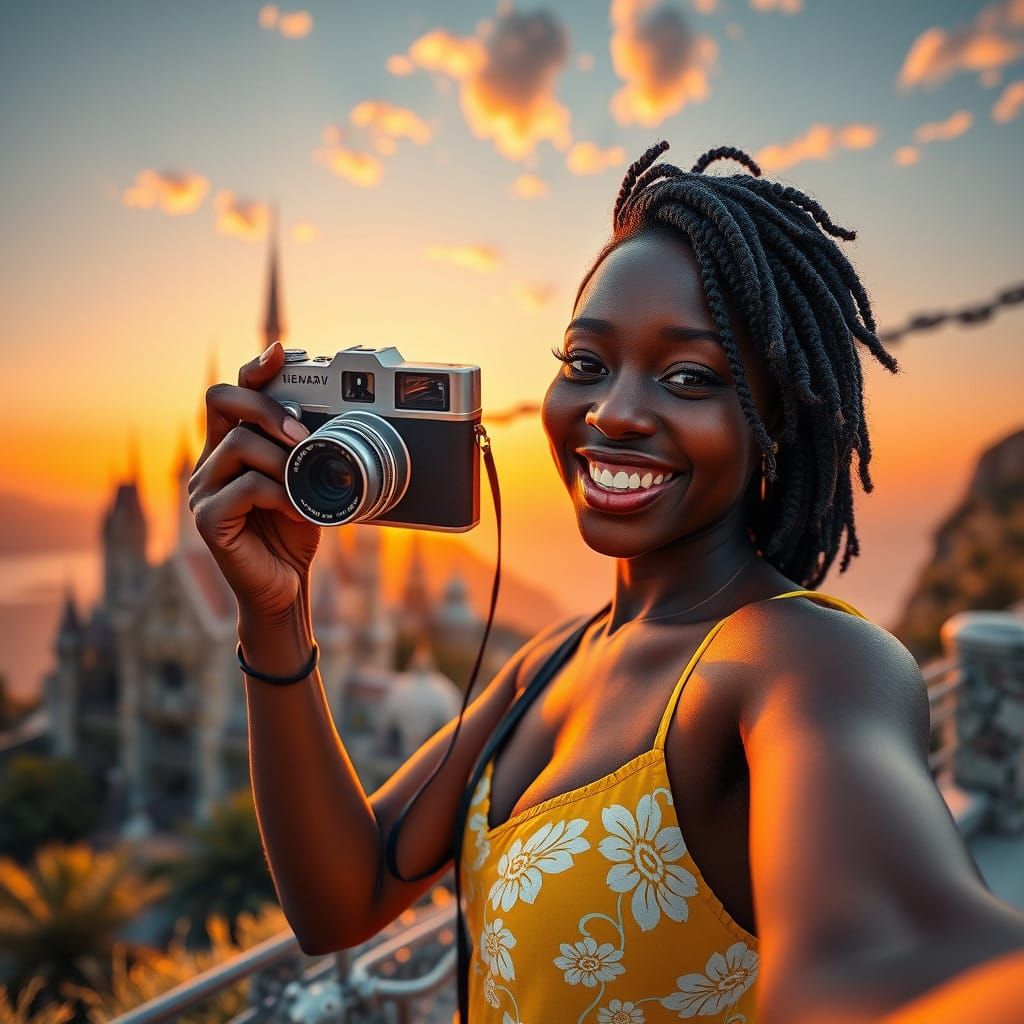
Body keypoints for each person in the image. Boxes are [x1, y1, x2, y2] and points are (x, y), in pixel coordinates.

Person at [189, 141, 1024, 1023]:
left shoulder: (802, 658)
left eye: (689, 376)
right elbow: (342, 898)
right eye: (585, 362)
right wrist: (273, 615)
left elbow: (896, 962)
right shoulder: (549, 663)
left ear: (776, 419)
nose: (613, 411)